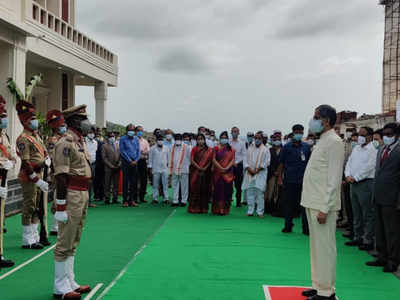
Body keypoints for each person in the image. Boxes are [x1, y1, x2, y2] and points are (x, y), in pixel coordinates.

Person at [301, 105, 344, 300]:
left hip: (322, 205)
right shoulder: (322, 141)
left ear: (326, 120)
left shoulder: (334, 142)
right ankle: (318, 285)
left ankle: (327, 291)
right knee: (316, 247)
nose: (313, 120)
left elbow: (334, 178)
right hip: (312, 201)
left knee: (325, 248)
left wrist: (325, 208)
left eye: (316, 117)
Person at [52, 104, 92, 299]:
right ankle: (60, 285)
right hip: (71, 193)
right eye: (83, 119)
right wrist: (60, 206)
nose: (87, 122)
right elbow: (61, 176)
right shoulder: (65, 143)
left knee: (74, 239)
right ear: (74, 121)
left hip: (82, 192)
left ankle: (70, 280)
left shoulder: (78, 141)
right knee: (65, 240)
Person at [366, 123, 400, 273]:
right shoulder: (381, 150)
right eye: (385, 134)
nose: (386, 137)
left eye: (390, 134)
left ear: (397, 135)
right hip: (378, 195)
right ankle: (382, 256)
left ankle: (393, 261)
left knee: (392, 231)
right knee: (379, 229)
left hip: (392, 198)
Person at [16, 100, 49, 250]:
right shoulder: (23, 138)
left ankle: (35, 236)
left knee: (37, 207)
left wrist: (46, 160)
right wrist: (36, 180)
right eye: (32, 119)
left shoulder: (36, 136)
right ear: (24, 121)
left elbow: (42, 153)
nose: (35, 121)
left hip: (40, 174)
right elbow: (25, 162)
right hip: (30, 177)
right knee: (29, 206)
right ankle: (26, 239)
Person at [344, 127, 377, 251]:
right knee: (356, 212)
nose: (360, 137)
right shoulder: (356, 148)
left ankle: (367, 240)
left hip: (365, 183)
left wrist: (355, 177)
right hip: (353, 183)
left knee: (367, 213)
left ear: (370, 136)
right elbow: (349, 163)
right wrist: (347, 175)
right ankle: (357, 237)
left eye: (363, 135)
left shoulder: (372, 150)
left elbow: (369, 167)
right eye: (359, 134)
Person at [278, 124, 311, 235]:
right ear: (293, 133)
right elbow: (281, 164)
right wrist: (280, 178)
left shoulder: (306, 147)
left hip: (304, 180)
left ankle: (305, 228)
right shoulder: (286, 147)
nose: (299, 134)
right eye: (297, 132)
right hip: (289, 180)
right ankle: (288, 225)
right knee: (289, 204)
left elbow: (310, 164)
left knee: (304, 205)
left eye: (301, 132)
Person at [46, 110, 68, 236]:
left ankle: (58, 223)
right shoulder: (53, 140)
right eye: (61, 125)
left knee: (63, 197)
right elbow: (51, 157)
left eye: (64, 125)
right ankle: (55, 226)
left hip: (64, 171)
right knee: (57, 197)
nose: (64, 127)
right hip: (57, 173)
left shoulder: (63, 139)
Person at [0, 96, 15, 268]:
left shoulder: (4, 135)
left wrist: (11, 161)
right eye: (2, 115)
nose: (4, 118)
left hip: (3, 180)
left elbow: (9, 153)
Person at [242, 131, 270, 218]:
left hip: (260, 173)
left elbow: (267, 162)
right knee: (250, 192)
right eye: (256, 138)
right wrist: (249, 169)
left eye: (259, 138)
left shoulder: (265, 149)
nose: (257, 140)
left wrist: (257, 170)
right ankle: (250, 210)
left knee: (259, 193)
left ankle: (260, 212)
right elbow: (245, 160)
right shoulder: (250, 148)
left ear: (262, 139)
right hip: (249, 173)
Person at [188, 134, 213, 214]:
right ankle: (194, 208)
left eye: (202, 139)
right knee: (195, 190)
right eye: (199, 139)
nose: (200, 141)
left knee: (205, 190)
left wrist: (205, 167)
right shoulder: (194, 149)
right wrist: (199, 168)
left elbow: (210, 160)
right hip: (195, 172)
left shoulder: (209, 150)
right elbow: (192, 160)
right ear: (196, 140)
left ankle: (204, 208)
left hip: (206, 173)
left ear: (204, 140)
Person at [212, 131, 235, 215]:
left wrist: (226, 168)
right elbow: (213, 159)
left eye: (225, 138)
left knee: (227, 191)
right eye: (222, 138)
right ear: (219, 138)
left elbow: (232, 160)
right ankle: (218, 209)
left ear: (228, 139)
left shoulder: (231, 149)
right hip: (218, 173)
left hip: (228, 173)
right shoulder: (216, 148)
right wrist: (221, 168)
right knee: (218, 191)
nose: (224, 139)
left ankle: (225, 209)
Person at [119, 124, 141, 207]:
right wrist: (129, 160)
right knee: (125, 181)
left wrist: (135, 160)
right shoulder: (122, 139)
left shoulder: (136, 139)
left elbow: (138, 150)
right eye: (130, 130)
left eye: (133, 130)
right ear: (127, 131)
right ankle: (125, 201)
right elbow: (122, 151)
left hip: (135, 162)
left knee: (133, 182)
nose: (131, 132)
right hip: (126, 162)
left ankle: (132, 200)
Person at [169, 134, 191, 207]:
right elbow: (170, 158)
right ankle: (175, 200)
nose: (177, 140)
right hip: (174, 169)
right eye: (176, 138)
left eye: (179, 138)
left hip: (183, 169)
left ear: (181, 139)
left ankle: (183, 200)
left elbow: (189, 158)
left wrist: (187, 166)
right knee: (175, 185)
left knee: (184, 185)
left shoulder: (187, 147)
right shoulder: (172, 147)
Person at [149, 135, 170, 204]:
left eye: (161, 140)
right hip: (156, 168)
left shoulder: (166, 148)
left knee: (165, 184)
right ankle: (155, 198)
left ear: (163, 141)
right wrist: (150, 168)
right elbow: (150, 159)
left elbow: (169, 159)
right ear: (156, 141)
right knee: (155, 184)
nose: (160, 141)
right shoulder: (152, 148)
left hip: (165, 169)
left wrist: (169, 168)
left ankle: (166, 198)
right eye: (159, 140)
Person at [101, 132, 121, 205]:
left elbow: (121, 156)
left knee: (116, 184)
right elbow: (104, 158)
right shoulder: (104, 146)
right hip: (108, 167)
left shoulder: (118, 145)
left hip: (117, 167)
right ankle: (107, 198)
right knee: (107, 183)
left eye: (113, 136)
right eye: (110, 136)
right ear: (107, 137)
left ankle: (115, 198)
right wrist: (111, 166)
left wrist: (119, 164)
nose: (112, 138)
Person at [265, 133, 282, 215]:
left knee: (278, 191)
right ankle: (268, 208)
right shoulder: (270, 150)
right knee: (270, 191)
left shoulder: (283, 150)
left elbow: (284, 162)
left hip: (281, 174)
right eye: (275, 140)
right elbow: (268, 162)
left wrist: (279, 172)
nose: (277, 141)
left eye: (278, 139)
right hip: (271, 174)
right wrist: (273, 171)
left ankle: (276, 208)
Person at [230, 126, 246, 207]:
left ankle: (238, 201)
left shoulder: (242, 143)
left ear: (239, 133)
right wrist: (231, 162)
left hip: (238, 166)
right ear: (231, 132)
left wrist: (236, 162)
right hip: (229, 165)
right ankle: (228, 200)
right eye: (233, 131)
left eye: (236, 131)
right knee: (228, 184)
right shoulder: (228, 142)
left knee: (238, 185)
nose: (234, 133)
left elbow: (244, 155)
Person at [136, 126, 150, 203]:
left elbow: (148, 150)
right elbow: (136, 150)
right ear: (135, 131)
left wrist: (142, 151)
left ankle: (142, 197)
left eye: (141, 131)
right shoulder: (134, 140)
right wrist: (141, 151)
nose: (140, 132)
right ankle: (135, 197)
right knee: (135, 179)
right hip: (135, 161)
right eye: (138, 131)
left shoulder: (145, 141)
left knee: (144, 179)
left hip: (143, 161)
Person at [85, 127, 97, 208]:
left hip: (93, 164)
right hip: (85, 164)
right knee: (85, 182)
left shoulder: (95, 142)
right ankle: (84, 202)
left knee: (91, 183)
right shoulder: (83, 141)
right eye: (89, 132)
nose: (91, 134)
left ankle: (89, 201)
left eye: (92, 132)